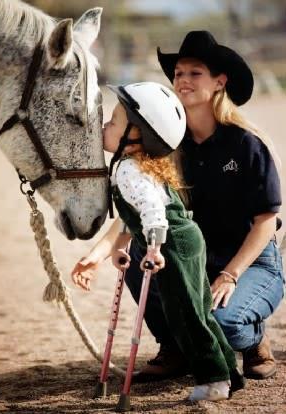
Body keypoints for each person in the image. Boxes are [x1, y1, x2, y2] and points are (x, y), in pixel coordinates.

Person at [72, 31, 284, 383]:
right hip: (195, 254)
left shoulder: (246, 144)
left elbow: (266, 221)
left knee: (223, 325)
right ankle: (174, 346)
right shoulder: (167, 142)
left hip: (250, 261)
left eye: (194, 73)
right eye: (179, 74)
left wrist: (230, 275)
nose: (183, 81)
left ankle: (253, 338)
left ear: (220, 82)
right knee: (144, 250)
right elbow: (143, 207)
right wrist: (98, 253)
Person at [73, 81, 244, 401]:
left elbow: (153, 213)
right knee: (198, 310)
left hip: (172, 245)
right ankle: (229, 373)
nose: (103, 127)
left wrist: (153, 248)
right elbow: (133, 214)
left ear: (136, 135)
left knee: (184, 314)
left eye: (112, 122)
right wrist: (115, 248)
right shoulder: (136, 165)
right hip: (184, 240)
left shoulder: (129, 171)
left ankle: (214, 381)